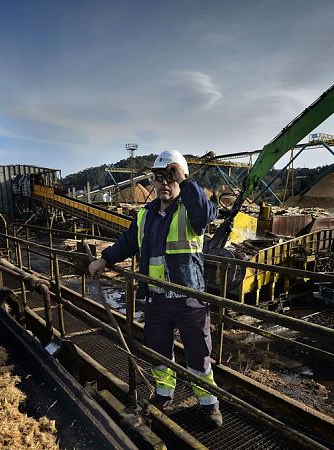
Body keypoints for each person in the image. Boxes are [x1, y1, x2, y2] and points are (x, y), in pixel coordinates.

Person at [88, 149, 222, 428]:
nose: (164, 183)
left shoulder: (191, 213)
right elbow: (128, 242)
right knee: (158, 350)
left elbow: (206, 212)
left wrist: (183, 180)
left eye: (170, 177)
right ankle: (164, 392)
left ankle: (208, 403)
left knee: (198, 353)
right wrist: (104, 259)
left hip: (189, 298)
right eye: (158, 177)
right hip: (157, 299)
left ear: (180, 177)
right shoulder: (145, 215)